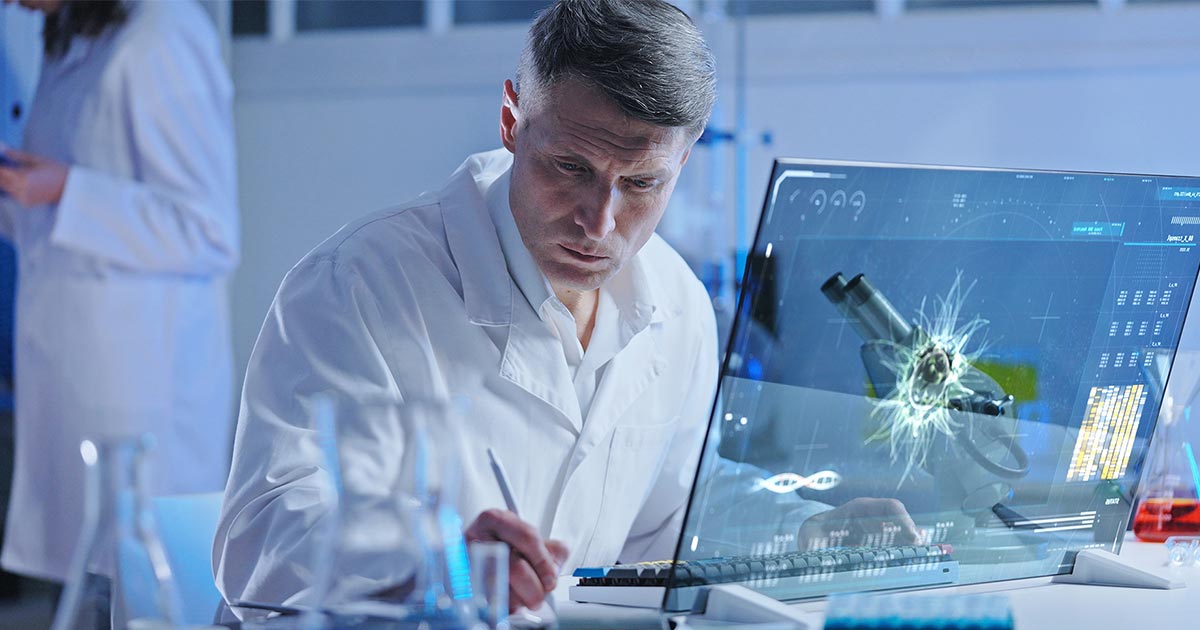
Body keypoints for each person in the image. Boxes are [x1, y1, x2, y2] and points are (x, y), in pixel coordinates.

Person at [214, 0, 915, 620]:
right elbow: (260, 543)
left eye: (641, 183)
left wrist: (802, 529)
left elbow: (669, 516)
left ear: (682, 162)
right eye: (570, 167)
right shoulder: (358, 285)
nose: (599, 222)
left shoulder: (676, 302)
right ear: (511, 119)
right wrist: (438, 565)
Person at [0, 0, 239, 588]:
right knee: (91, 585)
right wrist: (24, 193)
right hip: (74, 379)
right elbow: (53, 222)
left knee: (150, 588)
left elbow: (209, 232)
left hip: (145, 394)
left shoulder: (164, 35)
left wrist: (67, 191)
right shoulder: (72, 36)